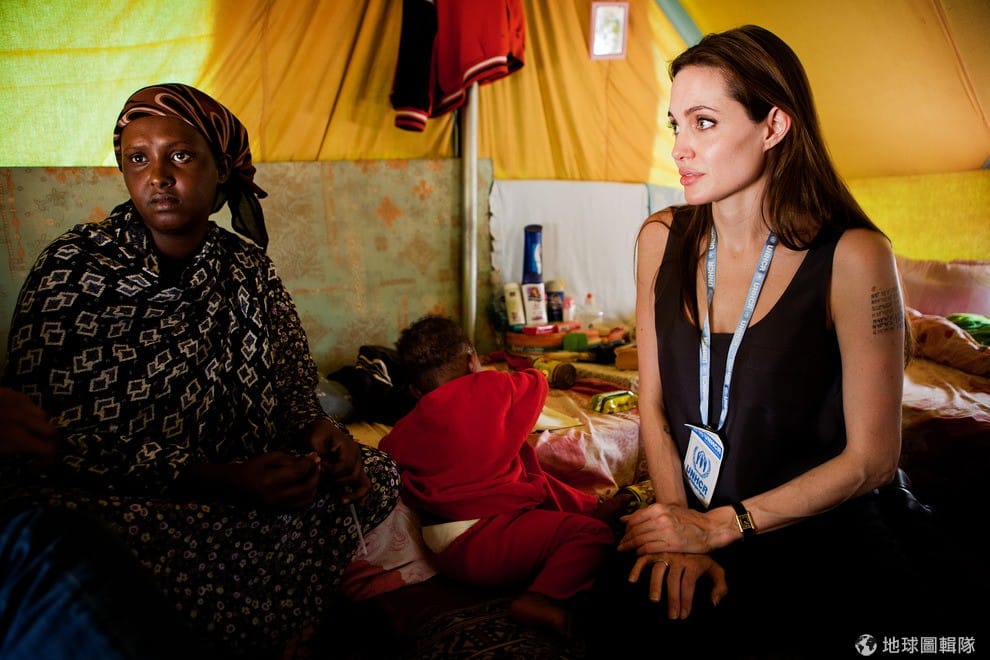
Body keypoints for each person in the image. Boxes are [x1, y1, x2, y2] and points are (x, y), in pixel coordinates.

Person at [593, 25, 962, 656]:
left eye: (704, 123)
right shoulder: (660, 239)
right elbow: (651, 403)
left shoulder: (854, 256)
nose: (679, 148)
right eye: (675, 124)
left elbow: (873, 459)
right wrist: (680, 528)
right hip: (698, 515)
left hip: (817, 527)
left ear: (773, 126)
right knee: (633, 608)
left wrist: (721, 527)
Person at [0, 83, 400, 658]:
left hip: (248, 483)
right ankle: (261, 623)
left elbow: (293, 389)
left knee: (376, 472)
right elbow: (51, 441)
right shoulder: (73, 267)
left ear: (222, 169)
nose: (158, 176)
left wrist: (323, 433)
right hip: (129, 496)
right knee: (63, 528)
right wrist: (219, 478)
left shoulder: (248, 270)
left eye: (181, 155)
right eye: (138, 158)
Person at [378, 315, 628, 640]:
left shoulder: (406, 427)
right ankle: (540, 599)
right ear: (472, 361)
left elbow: (387, 452)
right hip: (488, 540)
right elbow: (536, 382)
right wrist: (505, 372)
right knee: (592, 534)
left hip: (444, 552)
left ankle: (591, 507)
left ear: (415, 390)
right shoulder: (492, 386)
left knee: (525, 470)